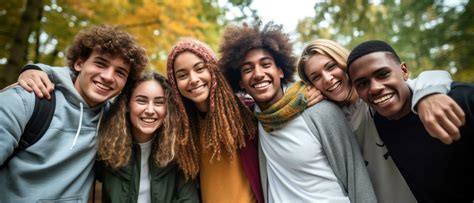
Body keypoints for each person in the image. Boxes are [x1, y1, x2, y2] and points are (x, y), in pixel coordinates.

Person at [218, 22, 376, 202]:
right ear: (240, 82)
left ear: (280, 71)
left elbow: (356, 176)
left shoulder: (320, 110)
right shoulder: (253, 119)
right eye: (247, 69)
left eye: (266, 64)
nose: (258, 74)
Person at [297, 39, 464, 202]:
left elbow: (428, 77)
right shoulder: (325, 121)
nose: (327, 78)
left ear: (345, 64)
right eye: (316, 77)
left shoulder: (377, 99)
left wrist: (428, 94)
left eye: (331, 67)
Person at [0, 25, 147, 202]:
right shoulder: (26, 99)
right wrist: (35, 69)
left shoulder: (113, 121)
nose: (108, 76)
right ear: (79, 64)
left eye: (120, 72)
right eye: (101, 63)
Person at [347, 40, 474, 202]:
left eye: (382, 74)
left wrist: (428, 93)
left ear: (404, 71)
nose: (375, 88)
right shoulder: (369, 125)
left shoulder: (459, 99)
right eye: (362, 83)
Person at [166, 39, 264, 203]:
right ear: (175, 84)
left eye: (199, 69)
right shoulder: (184, 130)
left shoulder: (247, 113)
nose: (193, 79)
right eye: (182, 75)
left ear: (214, 70)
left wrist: (304, 96)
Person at [96, 71, 199, 202]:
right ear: (127, 105)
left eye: (159, 102)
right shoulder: (106, 149)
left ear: (167, 109)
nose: (150, 110)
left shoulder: (179, 152)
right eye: (141, 101)